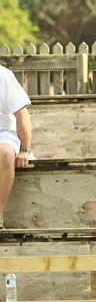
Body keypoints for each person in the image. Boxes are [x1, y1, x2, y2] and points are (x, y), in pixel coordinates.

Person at [0, 64, 33, 230]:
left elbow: (22, 114)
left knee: (5, 154)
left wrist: (25, 150)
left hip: (4, 132)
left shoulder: (3, 76)